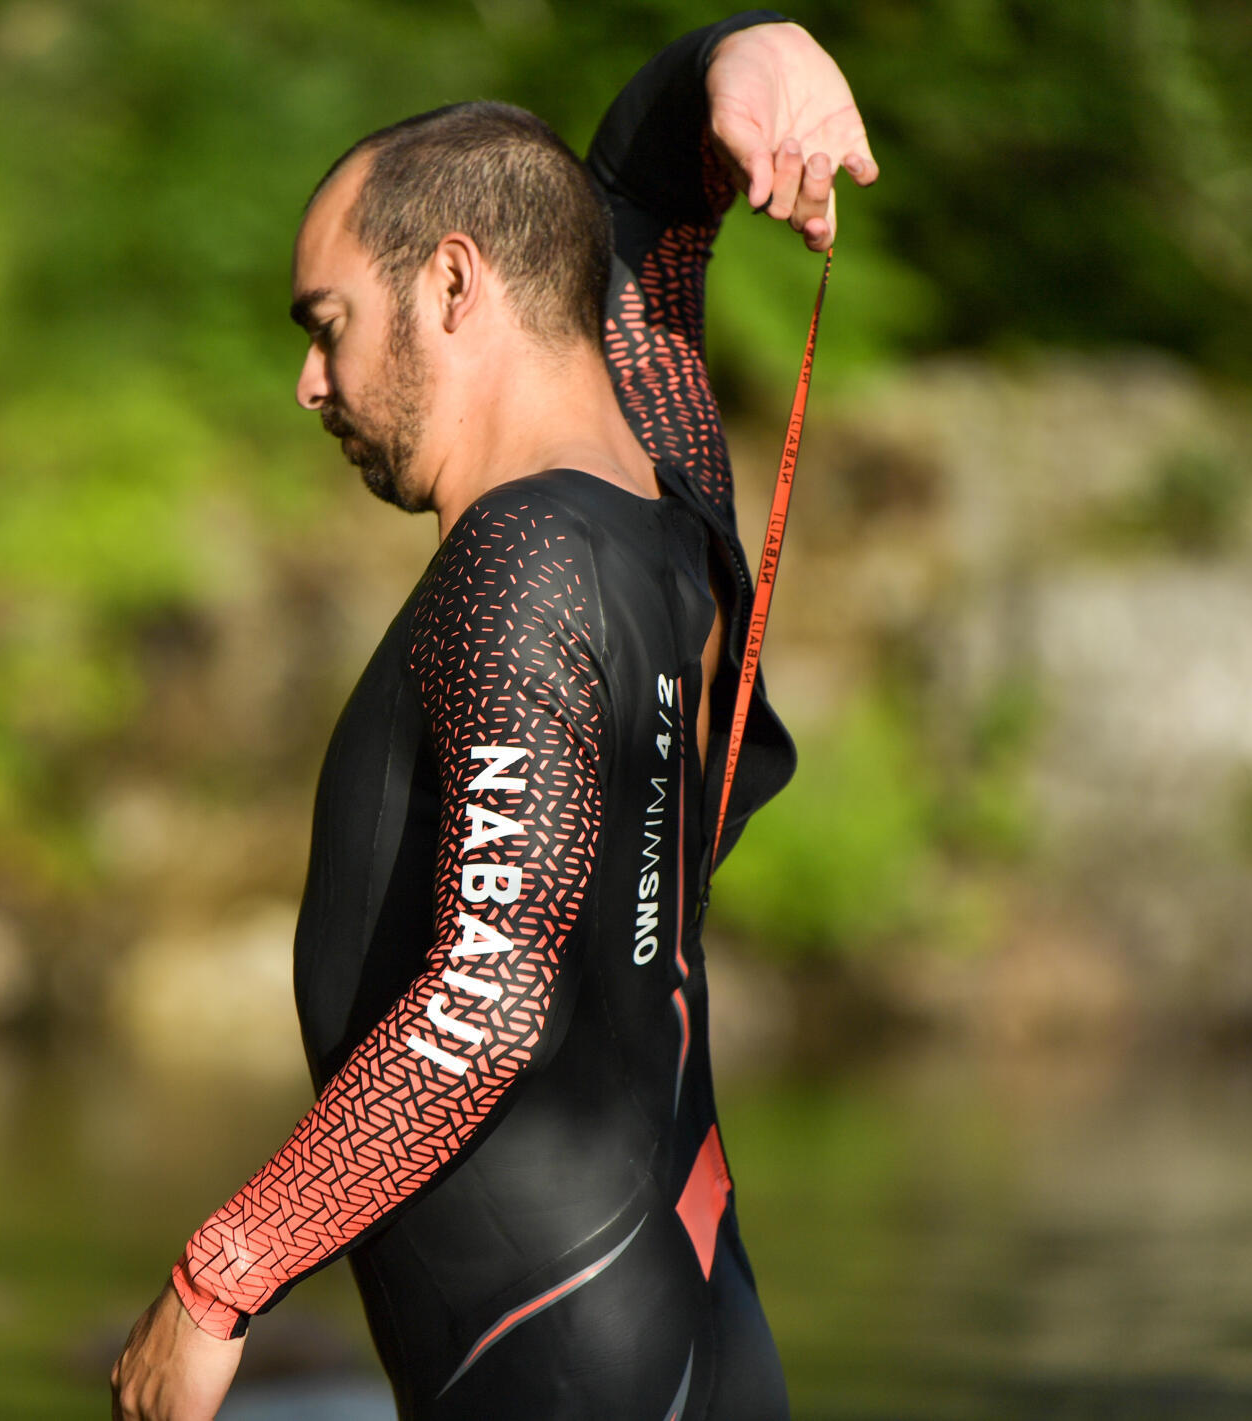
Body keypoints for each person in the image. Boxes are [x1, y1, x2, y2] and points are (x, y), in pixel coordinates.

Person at [111, 11, 876, 1419]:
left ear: (454, 283)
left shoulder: (521, 561)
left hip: (558, 1369)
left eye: (326, 326)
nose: (311, 384)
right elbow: (638, 199)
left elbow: (488, 1000)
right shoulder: (665, 489)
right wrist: (745, 50)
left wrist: (218, 1278)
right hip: (679, 1326)